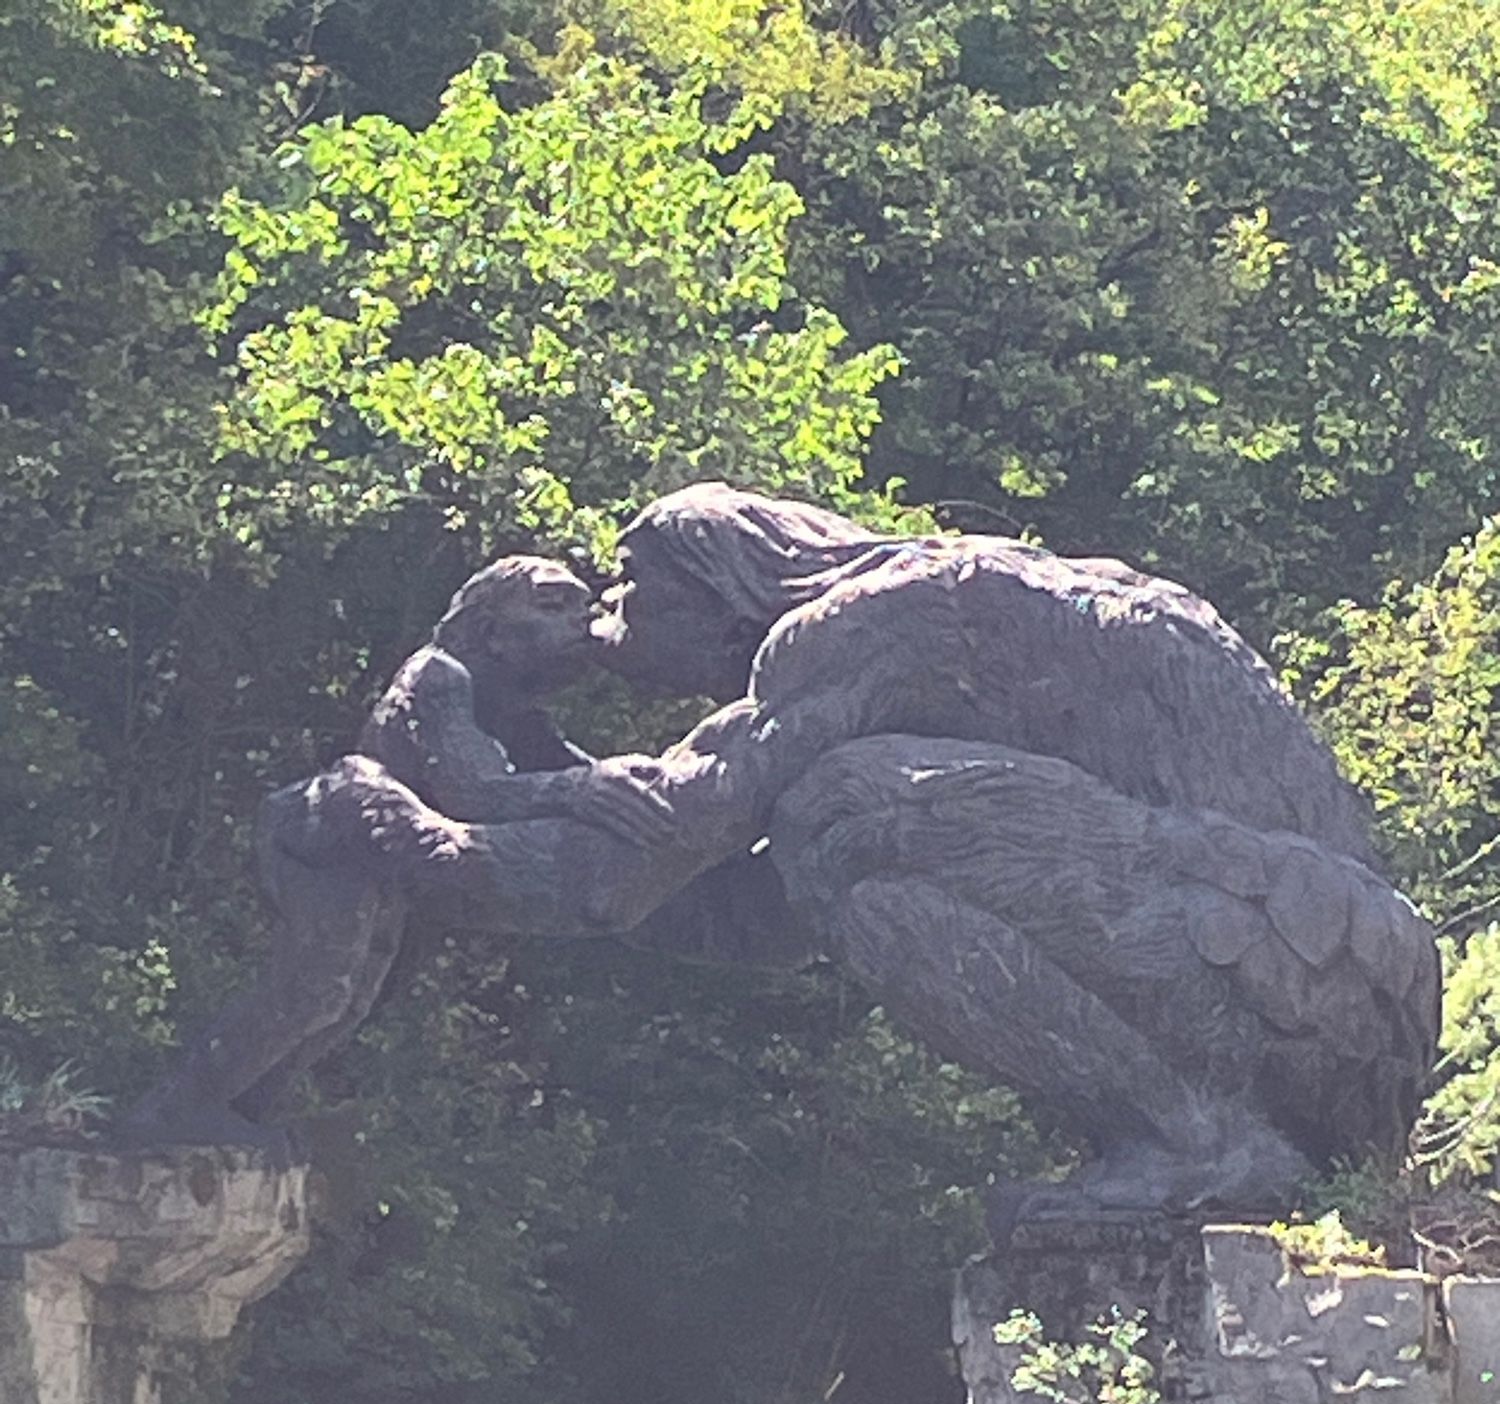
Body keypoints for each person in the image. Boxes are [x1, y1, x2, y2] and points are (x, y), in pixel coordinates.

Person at [126, 485, 1439, 1223]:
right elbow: (747, 915)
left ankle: (1193, 1142)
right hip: (1334, 986)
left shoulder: (839, 637)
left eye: (633, 592)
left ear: (718, 575)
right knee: (853, 847)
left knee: (847, 812)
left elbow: (640, 865)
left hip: (1277, 952)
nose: (614, 631)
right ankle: (1196, 1140)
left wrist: (408, 833)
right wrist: (576, 799)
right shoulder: (946, 603)